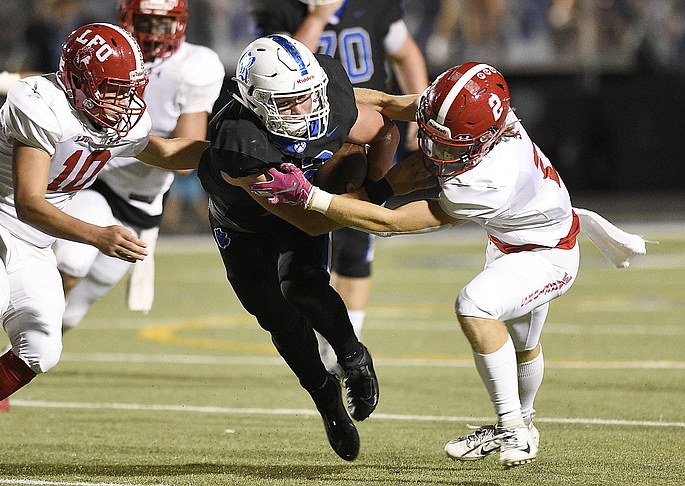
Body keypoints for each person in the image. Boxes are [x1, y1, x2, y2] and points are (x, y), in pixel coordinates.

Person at [249, 62, 647, 467]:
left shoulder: (483, 181)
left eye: (449, 144)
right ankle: (523, 424)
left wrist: (311, 198)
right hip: (514, 239)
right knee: (524, 348)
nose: (435, 150)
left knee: (475, 307)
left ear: (486, 138)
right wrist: (318, 101)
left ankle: (511, 427)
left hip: (547, 255)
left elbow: (390, 222)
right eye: (432, 134)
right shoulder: (463, 114)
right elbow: (386, 102)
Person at [0, 22, 206, 484]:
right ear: (79, 82)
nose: (123, 102)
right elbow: (30, 202)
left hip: (34, 241)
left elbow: (168, 152)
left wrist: (237, 154)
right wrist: (98, 235)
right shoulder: (40, 102)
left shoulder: (118, 117)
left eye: (129, 90)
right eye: (112, 90)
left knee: (41, 351)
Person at [196, 33, 413, 462]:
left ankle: (353, 356)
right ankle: (325, 399)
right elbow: (312, 221)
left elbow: (383, 129)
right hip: (244, 224)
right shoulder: (240, 144)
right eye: (290, 102)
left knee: (303, 286)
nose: (306, 109)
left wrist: (371, 182)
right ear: (254, 100)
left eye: (309, 96)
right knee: (279, 319)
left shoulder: (328, 100)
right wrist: (382, 192)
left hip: (303, 200)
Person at [250, 0, 429, 374]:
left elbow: (405, 54)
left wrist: (419, 115)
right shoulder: (283, 11)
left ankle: (345, 349)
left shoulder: (372, 7)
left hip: (364, 131)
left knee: (358, 238)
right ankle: (330, 338)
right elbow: (273, 67)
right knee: (306, 237)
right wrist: (317, 17)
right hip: (299, 138)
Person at [54, 0, 224, 333]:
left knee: (77, 307)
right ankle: (22, 349)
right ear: (126, 19)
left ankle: (19, 356)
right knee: (71, 265)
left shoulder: (196, 66)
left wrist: (124, 138)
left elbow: (184, 162)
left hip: (142, 203)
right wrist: (0, 81)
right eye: (144, 22)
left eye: (161, 24)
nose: (151, 34)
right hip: (96, 181)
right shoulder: (108, 52)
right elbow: (58, 81)